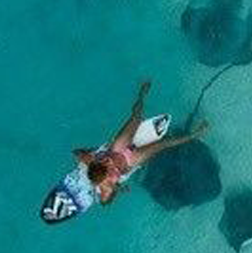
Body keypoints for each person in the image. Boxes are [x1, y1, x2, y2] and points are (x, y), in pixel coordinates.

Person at [73, 80, 208, 206]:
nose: (109, 165)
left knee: (136, 118)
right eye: (108, 170)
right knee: (163, 144)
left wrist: (89, 155)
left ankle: (142, 94)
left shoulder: (93, 164)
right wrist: (118, 189)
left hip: (117, 150)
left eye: (105, 163)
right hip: (129, 161)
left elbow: (77, 153)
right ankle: (194, 135)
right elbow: (105, 202)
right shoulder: (106, 185)